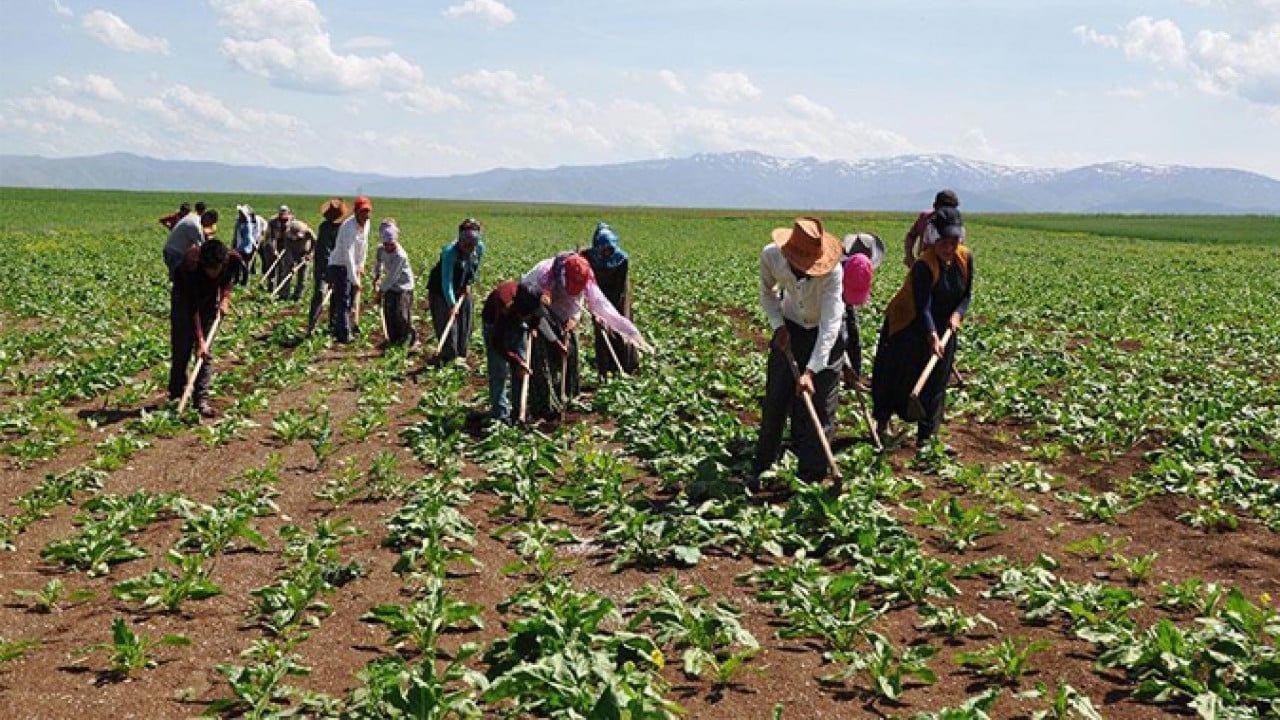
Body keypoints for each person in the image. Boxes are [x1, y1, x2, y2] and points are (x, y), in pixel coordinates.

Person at [750, 217, 846, 491]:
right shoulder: (771, 256)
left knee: (821, 406)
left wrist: (811, 371)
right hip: (790, 328)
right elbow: (767, 293)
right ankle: (763, 465)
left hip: (824, 336)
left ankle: (812, 476)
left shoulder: (833, 273)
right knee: (776, 400)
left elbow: (830, 324)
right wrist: (778, 326)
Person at [872, 207, 973, 452]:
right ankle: (882, 423)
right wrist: (931, 335)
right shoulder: (924, 266)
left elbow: (966, 294)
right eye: (943, 243)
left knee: (937, 380)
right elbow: (923, 305)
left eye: (953, 243)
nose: (948, 249)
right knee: (897, 375)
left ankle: (927, 438)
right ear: (934, 240)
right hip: (910, 325)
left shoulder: (965, 259)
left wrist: (958, 315)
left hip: (946, 324)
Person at [521, 251, 651, 420]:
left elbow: (580, 298)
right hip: (538, 311)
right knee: (544, 355)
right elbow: (536, 314)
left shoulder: (585, 276)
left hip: (565, 310)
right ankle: (544, 403)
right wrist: (554, 340)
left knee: (571, 350)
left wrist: (574, 319)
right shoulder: (541, 276)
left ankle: (569, 395)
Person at [168, 239, 245, 417]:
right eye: (209, 269)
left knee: (205, 356)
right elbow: (192, 308)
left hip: (209, 302)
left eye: (216, 269)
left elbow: (227, 281)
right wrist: (200, 339)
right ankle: (176, 396)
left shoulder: (231, 260)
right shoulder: (190, 268)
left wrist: (225, 298)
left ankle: (200, 400)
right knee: (182, 349)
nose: (212, 273)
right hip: (184, 302)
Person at [480, 280, 550, 424]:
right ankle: (500, 415)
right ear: (521, 312)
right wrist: (515, 360)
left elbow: (537, 315)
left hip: (517, 324)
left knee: (522, 369)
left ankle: (520, 411)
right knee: (499, 371)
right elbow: (498, 344)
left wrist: (533, 327)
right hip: (493, 325)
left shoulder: (534, 298)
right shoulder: (504, 308)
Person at [584, 222, 639, 376]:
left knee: (621, 326)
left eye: (609, 249)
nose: (607, 253)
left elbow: (619, 287)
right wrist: (598, 310)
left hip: (618, 295)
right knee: (601, 332)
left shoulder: (622, 260)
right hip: (597, 294)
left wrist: (610, 311)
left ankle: (627, 366)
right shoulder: (589, 256)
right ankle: (605, 368)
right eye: (604, 249)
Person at [426, 218, 485, 362]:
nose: (468, 248)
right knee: (448, 323)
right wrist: (452, 303)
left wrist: (468, 283)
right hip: (440, 291)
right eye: (465, 245)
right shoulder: (449, 252)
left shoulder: (479, 248)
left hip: (462, 287)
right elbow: (446, 281)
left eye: (472, 245)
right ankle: (447, 358)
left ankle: (461, 355)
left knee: (465, 322)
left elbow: (475, 267)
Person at [326, 196, 372, 343]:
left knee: (347, 298)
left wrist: (362, 265)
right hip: (339, 265)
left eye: (368, 211)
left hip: (352, 265)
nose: (366, 215)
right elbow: (349, 254)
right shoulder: (348, 227)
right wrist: (355, 279)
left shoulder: (367, 224)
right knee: (343, 299)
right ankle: (344, 334)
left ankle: (336, 326)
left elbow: (364, 246)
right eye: (363, 212)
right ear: (356, 212)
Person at [839, 233, 882, 386]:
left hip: (845, 294)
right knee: (838, 335)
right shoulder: (834, 269)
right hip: (829, 296)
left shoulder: (860, 266)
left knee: (852, 333)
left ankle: (854, 377)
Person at [373, 219, 416, 347]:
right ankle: (393, 340)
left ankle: (411, 339)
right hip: (390, 286)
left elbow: (392, 276)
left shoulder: (400, 255)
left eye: (391, 244)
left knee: (402, 314)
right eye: (386, 244)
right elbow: (379, 263)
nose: (388, 247)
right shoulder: (381, 249)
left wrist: (380, 292)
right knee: (389, 312)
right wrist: (377, 276)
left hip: (404, 286)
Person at [308, 198, 347, 333]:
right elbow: (324, 251)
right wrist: (328, 271)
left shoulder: (343, 228)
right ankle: (311, 325)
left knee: (337, 297)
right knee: (319, 293)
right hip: (323, 267)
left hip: (338, 266)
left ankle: (333, 325)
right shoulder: (324, 228)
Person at [903, 189, 961, 269]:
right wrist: (909, 256)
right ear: (935, 206)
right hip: (925, 264)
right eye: (943, 208)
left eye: (950, 209)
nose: (946, 212)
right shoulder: (925, 219)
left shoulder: (956, 224)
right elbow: (911, 236)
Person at [163, 209, 218, 280]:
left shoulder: (194, 217)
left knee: (178, 277)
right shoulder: (195, 226)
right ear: (208, 218)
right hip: (174, 253)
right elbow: (201, 248)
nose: (209, 226)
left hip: (171, 250)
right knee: (178, 278)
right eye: (211, 223)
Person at [276, 219, 314, 300]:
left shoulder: (308, 232)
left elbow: (316, 243)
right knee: (286, 273)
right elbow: (287, 249)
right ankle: (284, 295)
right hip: (291, 253)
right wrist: (291, 263)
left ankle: (298, 295)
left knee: (302, 276)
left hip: (304, 254)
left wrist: (310, 254)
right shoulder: (287, 235)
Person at [232, 205, 267, 284]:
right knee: (238, 263)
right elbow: (236, 235)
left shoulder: (253, 222)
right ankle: (238, 279)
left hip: (248, 246)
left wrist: (262, 233)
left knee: (246, 263)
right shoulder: (238, 221)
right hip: (241, 245)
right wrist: (234, 245)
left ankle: (245, 280)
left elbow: (248, 238)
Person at [261, 205, 292, 287]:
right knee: (271, 266)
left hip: (285, 247)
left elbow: (291, 237)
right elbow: (270, 238)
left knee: (283, 268)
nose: (283, 219)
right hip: (271, 246)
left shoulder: (292, 222)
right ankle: (270, 286)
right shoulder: (272, 222)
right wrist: (274, 251)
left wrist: (286, 248)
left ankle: (279, 287)